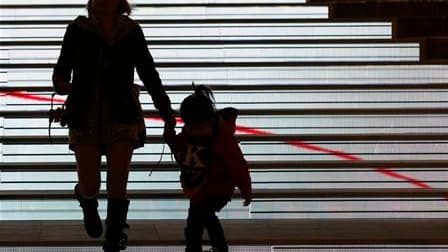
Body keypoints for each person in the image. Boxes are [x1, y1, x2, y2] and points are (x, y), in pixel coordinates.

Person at [52, 0, 176, 251]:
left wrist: (166, 110)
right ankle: (87, 199)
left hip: (122, 113)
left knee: (118, 178)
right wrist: (68, 87)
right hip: (85, 114)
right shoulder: (77, 29)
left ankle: (114, 237)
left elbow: (148, 72)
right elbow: (61, 73)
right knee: (91, 183)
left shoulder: (131, 32)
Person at [164, 85, 252, 252]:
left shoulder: (222, 141)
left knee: (201, 217)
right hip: (200, 191)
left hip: (218, 188)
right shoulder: (191, 136)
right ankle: (208, 247)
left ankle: (217, 247)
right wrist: (169, 131)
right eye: (191, 126)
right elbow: (176, 144)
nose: (195, 131)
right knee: (196, 222)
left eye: (198, 126)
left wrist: (246, 190)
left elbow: (237, 165)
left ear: (210, 121)